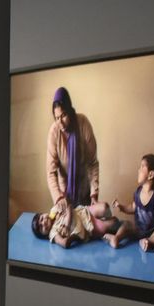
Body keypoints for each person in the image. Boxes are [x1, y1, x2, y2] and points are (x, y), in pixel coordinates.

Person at [46, 86, 100, 214]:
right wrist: (58, 197)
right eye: (57, 117)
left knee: (87, 226)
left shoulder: (83, 123)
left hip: (85, 189)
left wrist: (94, 194)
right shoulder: (54, 132)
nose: (61, 122)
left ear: (70, 110)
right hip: (65, 193)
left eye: (63, 115)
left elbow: (92, 163)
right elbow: (51, 172)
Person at [108, 153, 154, 259]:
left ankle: (148, 242)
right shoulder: (138, 192)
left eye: (142, 167)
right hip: (138, 229)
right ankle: (116, 238)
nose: (138, 170)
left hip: (152, 232)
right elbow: (133, 208)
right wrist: (121, 207)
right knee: (126, 224)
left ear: (151, 174)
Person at [30, 199, 119, 247]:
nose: (44, 222)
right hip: (87, 227)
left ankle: (105, 219)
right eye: (41, 227)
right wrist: (75, 236)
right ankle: (107, 229)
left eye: (41, 218)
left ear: (43, 214)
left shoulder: (53, 210)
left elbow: (69, 205)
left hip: (83, 212)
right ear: (44, 234)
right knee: (114, 223)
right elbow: (63, 243)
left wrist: (67, 224)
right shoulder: (53, 233)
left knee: (104, 207)